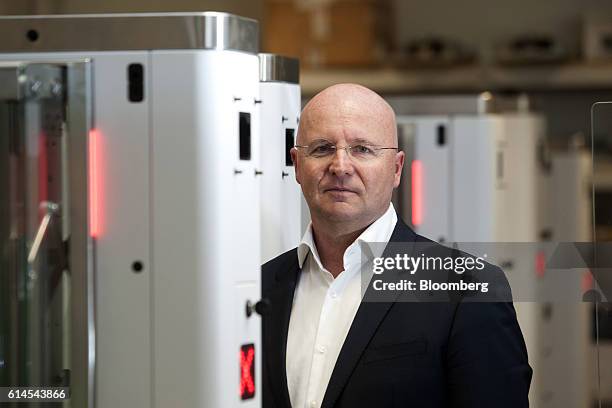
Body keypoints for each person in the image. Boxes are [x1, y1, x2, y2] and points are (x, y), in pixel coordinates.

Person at [261, 83, 532, 408]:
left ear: (397, 168)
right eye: (322, 148)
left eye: (362, 149)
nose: (340, 166)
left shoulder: (466, 289)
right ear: (296, 165)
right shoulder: (261, 287)